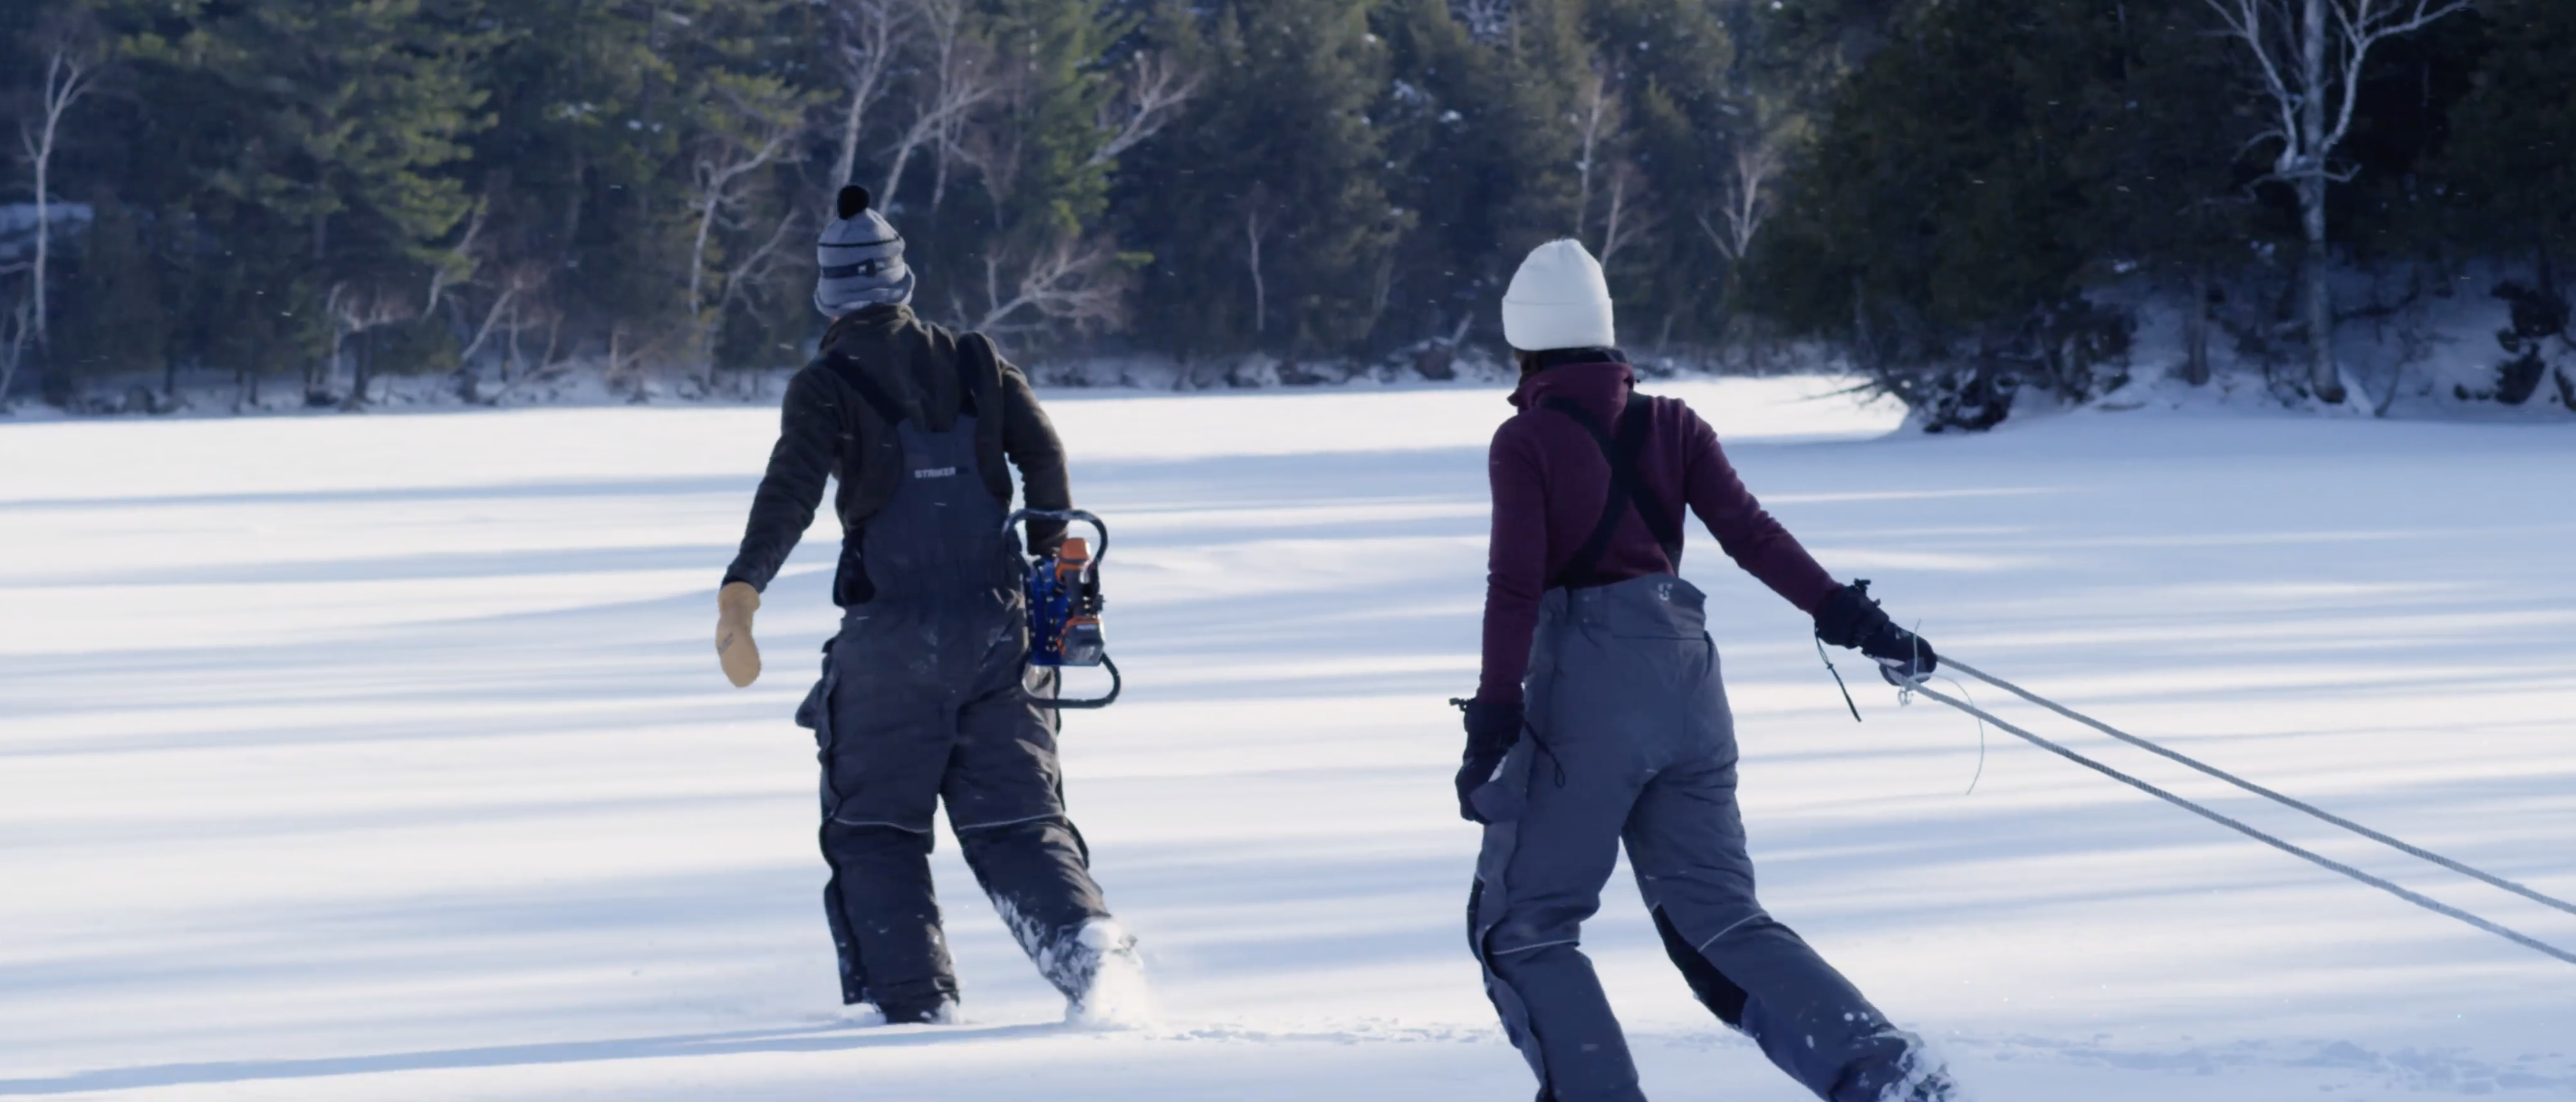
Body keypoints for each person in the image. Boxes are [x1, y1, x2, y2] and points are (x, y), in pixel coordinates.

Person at [1456, 239, 1960, 1102]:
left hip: (1586, 697)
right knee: (1721, 916)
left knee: (1525, 928)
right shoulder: (1674, 424)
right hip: (1689, 684)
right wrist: (1851, 618)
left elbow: (1516, 586)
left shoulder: (1527, 439)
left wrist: (1495, 716)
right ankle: (1887, 1076)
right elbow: (1753, 535)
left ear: (1523, 340)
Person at [714, 185, 1139, 1027]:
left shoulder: (826, 384)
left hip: (892, 642)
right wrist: (1053, 574)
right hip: (1002, 629)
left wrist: (743, 589)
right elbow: (1045, 456)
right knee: (1022, 820)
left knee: (876, 828)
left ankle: (914, 1011)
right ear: (903, 280)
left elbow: (790, 492)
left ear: (829, 295)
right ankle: (1092, 951)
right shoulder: (978, 360)